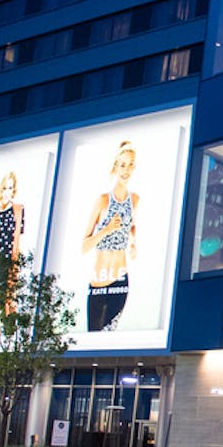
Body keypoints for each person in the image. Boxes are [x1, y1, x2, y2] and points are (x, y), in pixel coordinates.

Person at [81, 141, 139, 331]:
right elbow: (84, 246)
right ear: (115, 166)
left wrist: (133, 243)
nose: (126, 170)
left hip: (120, 279)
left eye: (130, 165)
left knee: (109, 335)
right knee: (94, 336)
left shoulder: (135, 200)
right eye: (122, 165)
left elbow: (133, 225)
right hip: (99, 280)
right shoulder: (103, 200)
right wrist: (106, 230)